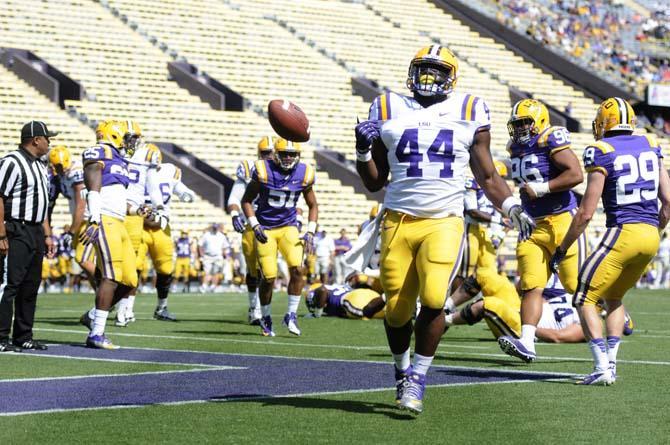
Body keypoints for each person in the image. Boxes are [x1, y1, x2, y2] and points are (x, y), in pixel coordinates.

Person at [354, 45, 534, 414]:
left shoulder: (469, 109)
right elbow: (374, 182)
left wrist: (511, 205)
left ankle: (418, 377)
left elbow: (486, 174)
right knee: (397, 309)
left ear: (451, 76)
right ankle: (402, 370)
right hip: (397, 219)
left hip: (444, 219)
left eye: (437, 71)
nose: (429, 78)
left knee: (436, 298)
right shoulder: (386, 106)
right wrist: (361, 150)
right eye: (424, 70)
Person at [549, 97, 670, 385]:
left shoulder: (601, 150)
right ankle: (611, 364)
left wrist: (563, 248)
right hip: (650, 234)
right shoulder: (651, 145)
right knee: (613, 297)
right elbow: (668, 202)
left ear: (605, 122)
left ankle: (602, 366)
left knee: (582, 297)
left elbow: (586, 212)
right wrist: (657, 231)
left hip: (623, 231)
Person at [497, 98, 586, 364]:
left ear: (540, 121)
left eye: (526, 122)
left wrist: (543, 188)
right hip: (532, 226)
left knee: (576, 286)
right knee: (531, 286)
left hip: (560, 222)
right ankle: (527, 342)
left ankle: (614, 309)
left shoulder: (550, 139)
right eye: (518, 124)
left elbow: (575, 174)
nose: (521, 128)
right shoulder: (514, 147)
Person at [242, 138, 319, 337]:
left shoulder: (304, 173)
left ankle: (291, 314)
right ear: (275, 153)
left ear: (298, 155)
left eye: (292, 154)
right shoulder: (263, 170)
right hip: (266, 228)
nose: (288, 157)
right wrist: (255, 224)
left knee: (298, 268)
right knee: (268, 277)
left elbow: (313, 205)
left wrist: (310, 230)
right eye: (284, 153)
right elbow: (246, 201)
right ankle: (266, 317)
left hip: (288, 227)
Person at [79, 120, 139, 349]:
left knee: (131, 280)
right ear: (114, 136)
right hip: (104, 218)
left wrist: (138, 210)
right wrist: (93, 219)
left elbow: (118, 199)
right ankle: (96, 334)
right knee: (111, 277)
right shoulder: (100, 152)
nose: (128, 142)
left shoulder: (118, 159)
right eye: (125, 137)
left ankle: (93, 315)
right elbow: (93, 189)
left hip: (120, 221)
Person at [0, 121, 57, 352]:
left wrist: (47, 234)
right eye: (47, 138)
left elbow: (41, 203)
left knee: (30, 285)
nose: (49, 143)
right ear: (36, 140)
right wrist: (1, 234)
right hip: (15, 228)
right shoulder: (12, 162)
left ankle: (23, 335)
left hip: (34, 230)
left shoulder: (40, 165)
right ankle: (1, 337)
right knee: (9, 284)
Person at [115, 124, 161, 326]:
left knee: (132, 266)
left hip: (133, 215)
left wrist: (159, 207)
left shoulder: (147, 154)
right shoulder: (112, 152)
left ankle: (125, 309)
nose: (131, 141)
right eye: (128, 137)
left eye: (134, 137)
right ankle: (109, 306)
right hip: (114, 212)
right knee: (111, 264)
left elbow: (152, 185)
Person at [228, 136, 275, 324]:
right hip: (251, 224)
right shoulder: (249, 169)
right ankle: (254, 308)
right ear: (259, 154)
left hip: (274, 225)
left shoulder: (283, 172)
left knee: (268, 270)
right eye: (266, 153)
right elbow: (234, 198)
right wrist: (234, 215)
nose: (270, 157)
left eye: (273, 153)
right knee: (253, 270)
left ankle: (264, 310)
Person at [143, 158, 195, 321]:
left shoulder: (169, 170)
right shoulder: (135, 170)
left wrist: (187, 194)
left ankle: (161, 308)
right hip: (139, 224)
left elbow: (180, 189)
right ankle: (125, 309)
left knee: (165, 270)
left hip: (162, 226)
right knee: (134, 269)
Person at [304, 283, 385, 319]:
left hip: (350, 300)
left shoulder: (317, 291)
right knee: (388, 311)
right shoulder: (335, 286)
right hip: (365, 293)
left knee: (366, 313)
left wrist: (317, 313)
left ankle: (386, 297)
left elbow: (322, 290)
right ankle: (387, 296)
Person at [198, 223, 230, 292]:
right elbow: (200, 245)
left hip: (218, 256)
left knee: (216, 272)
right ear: (212, 228)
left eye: (216, 228)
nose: (215, 229)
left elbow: (224, 247)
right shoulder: (206, 235)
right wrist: (201, 255)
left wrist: (226, 256)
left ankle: (213, 286)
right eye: (214, 228)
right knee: (207, 272)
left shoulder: (221, 236)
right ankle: (204, 286)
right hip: (207, 256)